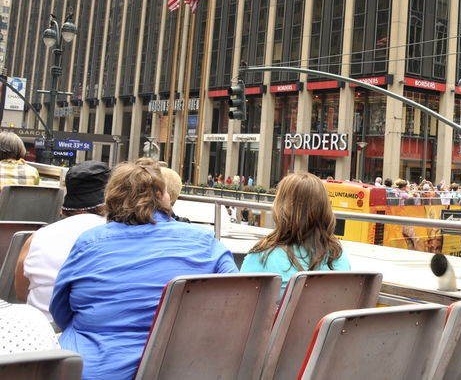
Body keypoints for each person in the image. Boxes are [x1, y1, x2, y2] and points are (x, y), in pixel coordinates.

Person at [50, 159, 238, 379]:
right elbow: (238, 301)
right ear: (161, 195)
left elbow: (60, 310)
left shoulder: (89, 242)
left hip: (94, 369)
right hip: (183, 367)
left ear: (110, 199)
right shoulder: (204, 241)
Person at [15, 160, 111, 321]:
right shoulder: (118, 236)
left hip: (42, 332)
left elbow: (20, 292)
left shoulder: (36, 237)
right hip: (92, 331)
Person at [241, 172, 349, 294]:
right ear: (325, 208)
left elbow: (240, 303)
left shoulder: (262, 256)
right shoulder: (338, 255)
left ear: (281, 207)